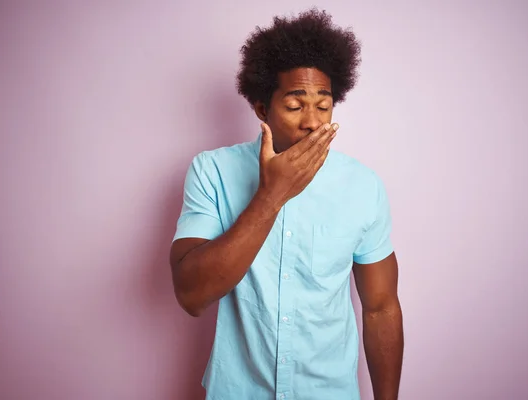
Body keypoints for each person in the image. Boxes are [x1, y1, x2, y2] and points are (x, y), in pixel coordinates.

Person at [170, 8, 403, 400]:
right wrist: (271, 195)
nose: (313, 122)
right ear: (262, 109)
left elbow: (380, 307)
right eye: (295, 106)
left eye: (324, 106)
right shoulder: (212, 171)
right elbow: (191, 295)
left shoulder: (363, 186)